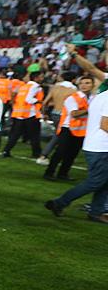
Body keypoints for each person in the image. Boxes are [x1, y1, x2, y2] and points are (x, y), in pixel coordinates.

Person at [45, 88, 108, 223]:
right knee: (95, 182)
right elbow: (105, 124)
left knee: (104, 182)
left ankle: (96, 212)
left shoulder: (100, 96)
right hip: (100, 147)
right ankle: (59, 203)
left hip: (97, 145)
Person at [44, 76, 93, 181]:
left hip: (81, 130)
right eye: (82, 83)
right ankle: (49, 172)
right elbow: (74, 114)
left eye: (87, 83)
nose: (84, 85)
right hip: (68, 128)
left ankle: (63, 173)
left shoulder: (92, 98)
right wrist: (90, 109)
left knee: (72, 153)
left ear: (92, 85)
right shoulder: (73, 98)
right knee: (60, 152)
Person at [36, 71, 78, 165]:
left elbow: (45, 102)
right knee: (60, 136)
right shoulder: (73, 89)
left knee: (59, 135)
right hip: (65, 115)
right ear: (74, 79)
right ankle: (44, 155)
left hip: (54, 113)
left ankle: (54, 155)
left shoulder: (55, 87)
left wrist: (44, 113)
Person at [3, 70, 45, 158]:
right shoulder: (35, 86)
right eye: (41, 77)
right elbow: (28, 99)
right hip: (30, 114)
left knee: (15, 135)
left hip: (19, 113)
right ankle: (36, 153)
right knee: (34, 135)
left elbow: (17, 96)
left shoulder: (24, 86)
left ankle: (6, 150)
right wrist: (40, 101)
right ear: (36, 78)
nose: (42, 78)